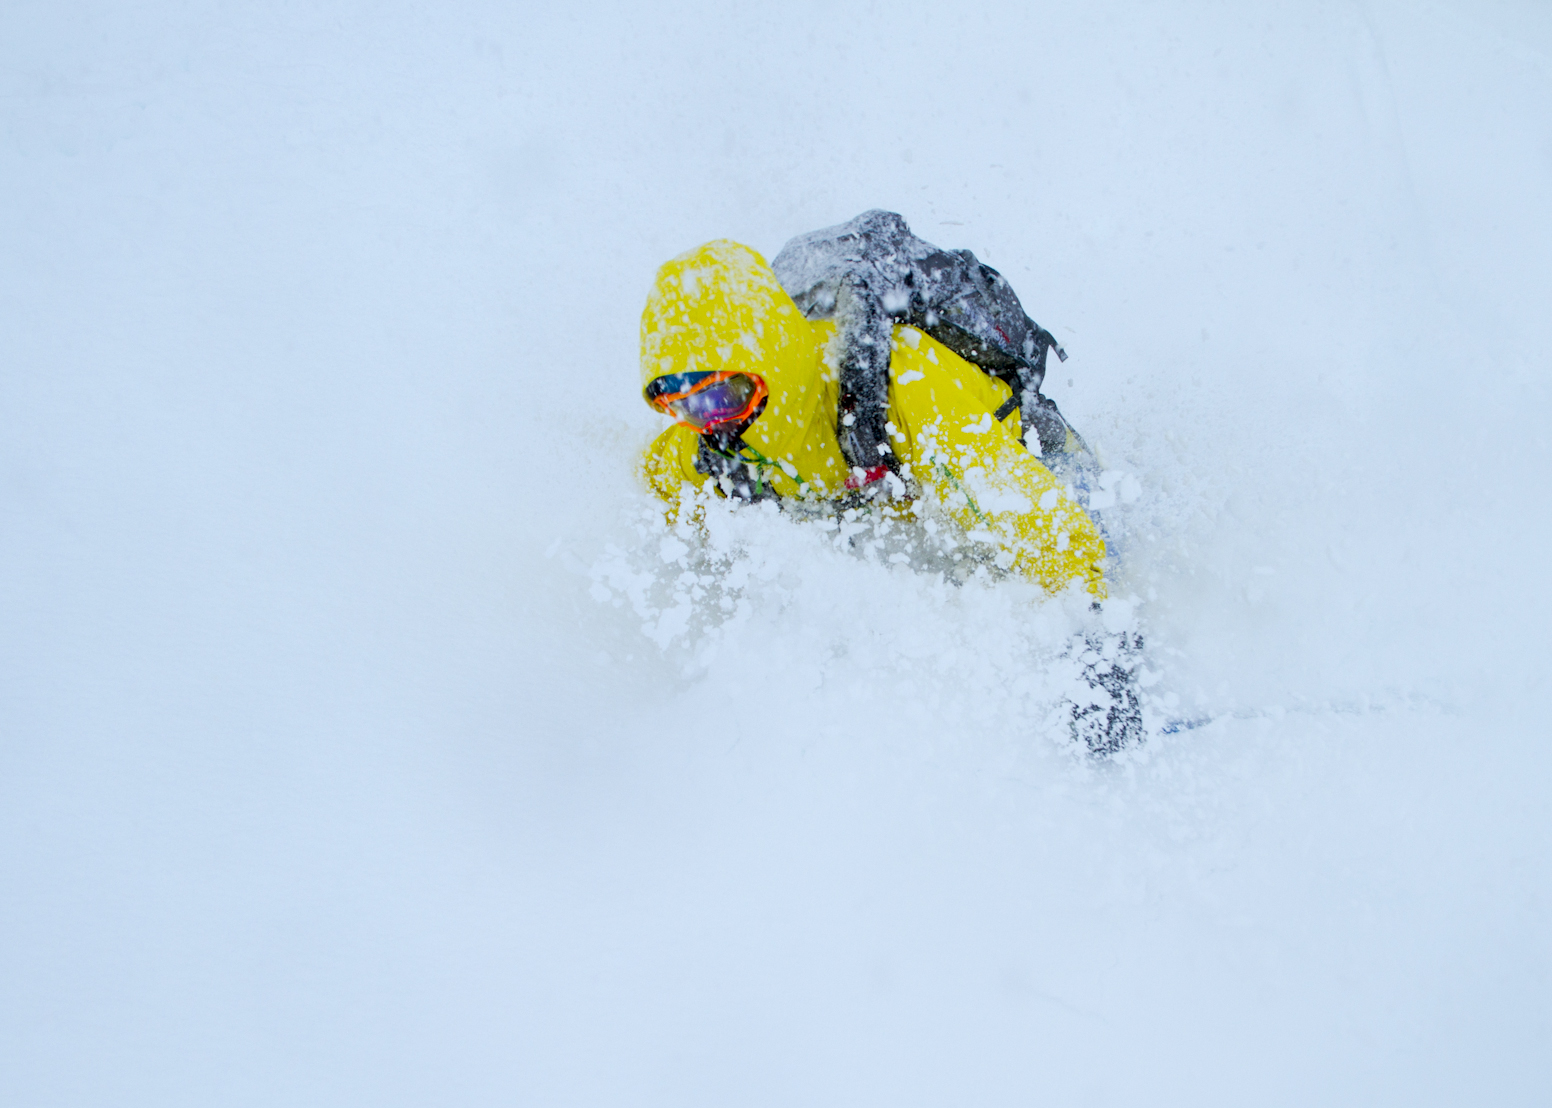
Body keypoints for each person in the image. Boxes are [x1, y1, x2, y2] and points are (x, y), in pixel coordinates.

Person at [638, 221, 1106, 599]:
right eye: (683, 407)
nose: (712, 423)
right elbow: (653, 475)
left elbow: (1052, 536)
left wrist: (1099, 632)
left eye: (723, 396)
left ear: (773, 367)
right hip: (934, 514)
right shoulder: (714, 447)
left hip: (1045, 471)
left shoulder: (899, 384)